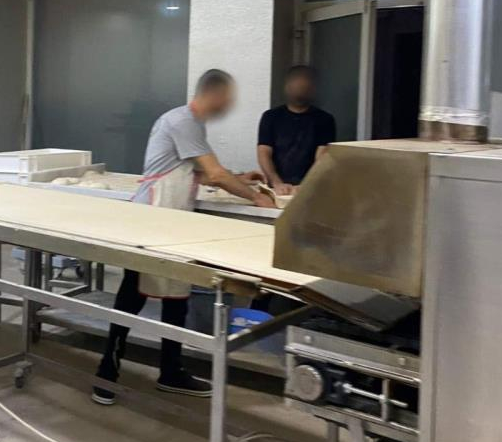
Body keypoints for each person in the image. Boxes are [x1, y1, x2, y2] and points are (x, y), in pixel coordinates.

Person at [92, 69, 275, 405]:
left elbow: (199, 172)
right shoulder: (183, 121)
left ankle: (170, 371)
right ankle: (106, 372)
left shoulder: (193, 125)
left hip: (171, 223)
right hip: (152, 220)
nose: (228, 105)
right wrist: (255, 198)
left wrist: (241, 178)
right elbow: (214, 174)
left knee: (177, 296)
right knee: (132, 294)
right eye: (227, 98)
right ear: (214, 94)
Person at [257, 65, 335, 195]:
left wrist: (306, 185)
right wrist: (277, 183)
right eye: (297, 85)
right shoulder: (270, 117)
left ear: (312, 89)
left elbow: (322, 157)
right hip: (275, 188)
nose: (300, 89)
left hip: (312, 189)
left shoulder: (324, 119)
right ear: (287, 87)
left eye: (304, 86)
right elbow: (264, 153)